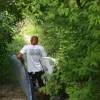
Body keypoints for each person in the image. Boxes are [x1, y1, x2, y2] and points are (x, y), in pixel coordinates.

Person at [17, 36, 47, 100]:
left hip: (30, 71)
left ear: (30, 41)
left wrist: (23, 62)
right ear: (37, 41)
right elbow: (45, 59)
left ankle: (32, 97)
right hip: (40, 70)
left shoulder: (26, 47)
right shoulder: (41, 48)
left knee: (31, 87)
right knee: (42, 87)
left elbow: (19, 56)